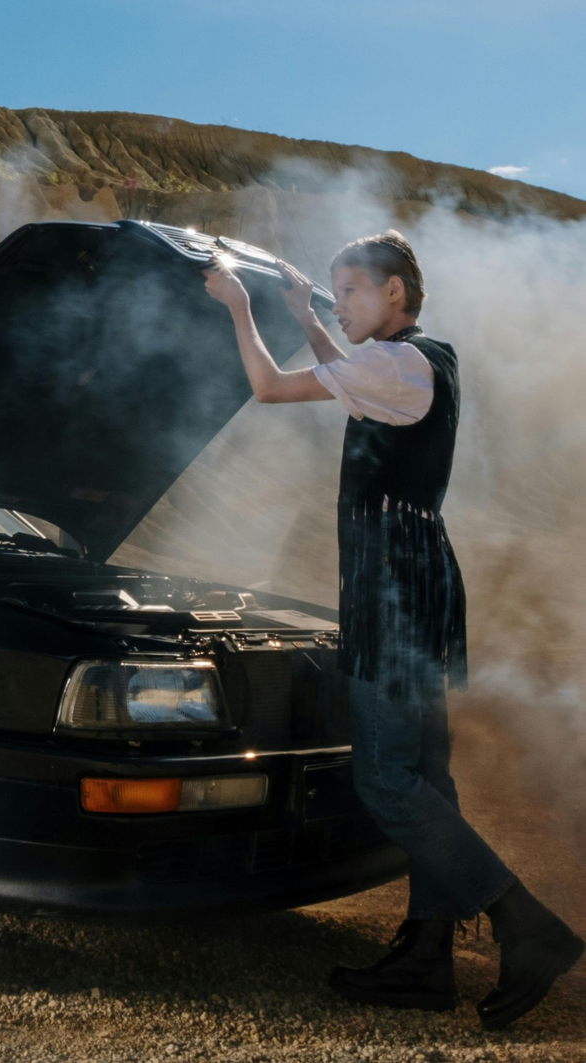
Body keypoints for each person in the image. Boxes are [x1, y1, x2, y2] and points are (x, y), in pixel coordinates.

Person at [201, 231, 583, 1030]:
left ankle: (526, 927)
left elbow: (270, 389)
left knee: (386, 776)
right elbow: (350, 368)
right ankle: (426, 958)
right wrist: (308, 314)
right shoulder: (414, 361)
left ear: (395, 294)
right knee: (427, 774)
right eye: (336, 293)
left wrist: (240, 309)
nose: (341, 306)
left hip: (393, 587)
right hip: (419, 576)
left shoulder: (395, 365)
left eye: (350, 293)